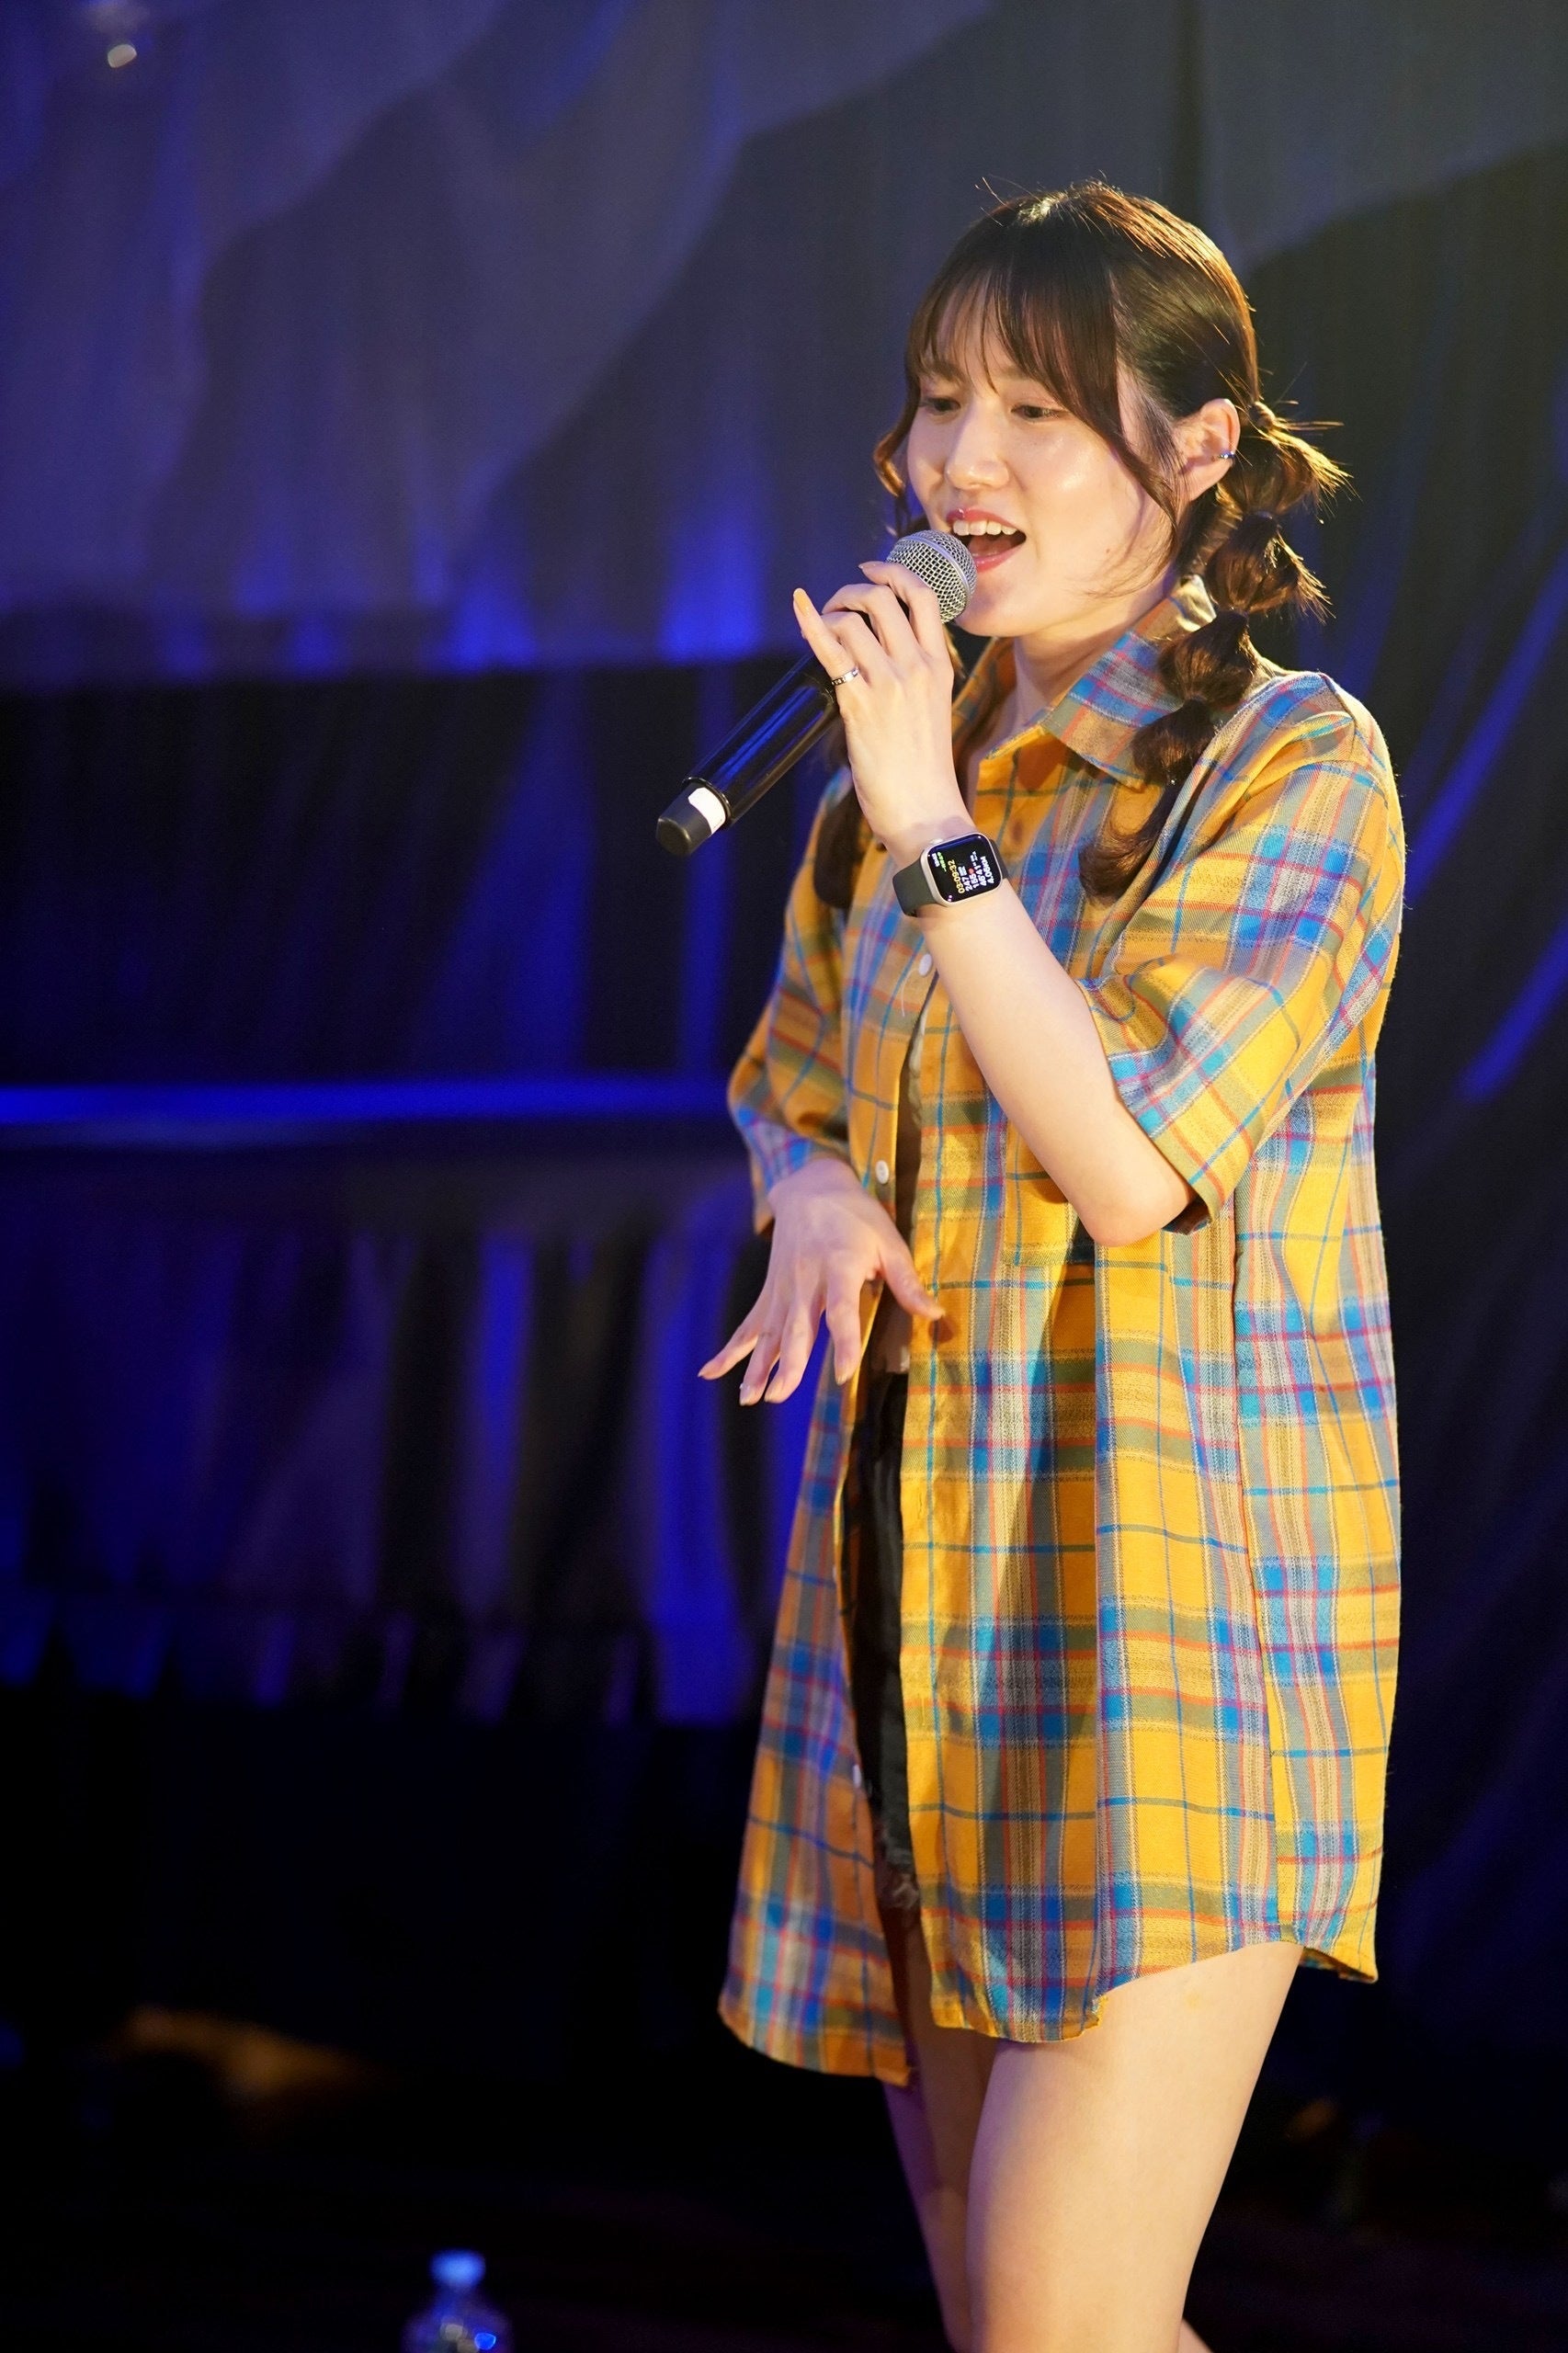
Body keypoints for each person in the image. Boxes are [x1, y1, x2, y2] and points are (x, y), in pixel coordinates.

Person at [699, 182, 1403, 2353]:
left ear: (1195, 450)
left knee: (1060, 2320)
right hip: (926, 1625)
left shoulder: (1292, 766)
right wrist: (811, 1188)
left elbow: (1123, 1162)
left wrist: (934, 819)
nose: (957, 461)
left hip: (1167, 1626)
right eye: (937, 401)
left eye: (1031, 407)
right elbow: (791, 1085)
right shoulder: (891, 791)